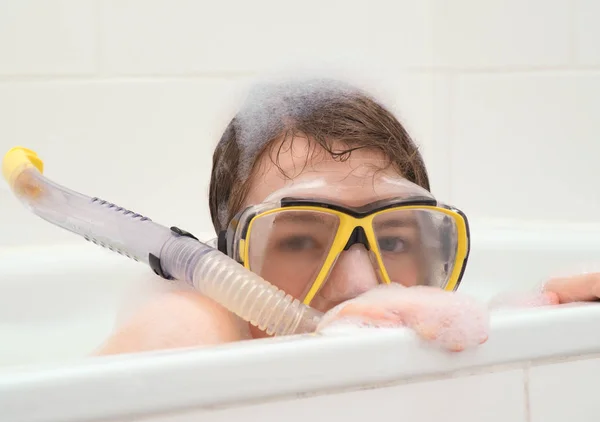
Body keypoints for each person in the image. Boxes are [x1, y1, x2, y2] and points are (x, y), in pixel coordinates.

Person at [96, 78, 600, 356]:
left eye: (396, 242)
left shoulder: (445, 329)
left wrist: (536, 337)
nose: (360, 283)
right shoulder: (190, 334)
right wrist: (178, 341)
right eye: (299, 241)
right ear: (229, 263)